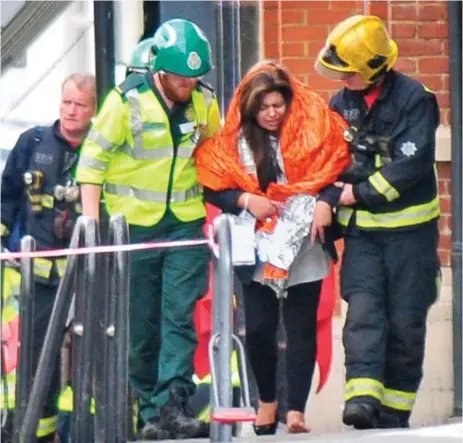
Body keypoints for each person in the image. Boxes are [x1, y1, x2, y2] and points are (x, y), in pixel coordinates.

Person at [75, 18, 222, 440]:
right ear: (160, 69)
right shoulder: (125, 101)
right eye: (181, 77)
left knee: (178, 316)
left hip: (185, 226)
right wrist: (90, 223)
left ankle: (173, 404)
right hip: (133, 230)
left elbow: (217, 157)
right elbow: (92, 162)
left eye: (195, 77)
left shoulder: (204, 102)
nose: (188, 84)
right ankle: (150, 411)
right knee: (141, 328)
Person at [194, 60, 350, 434]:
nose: (271, 114)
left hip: (305, 243)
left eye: (277, 105)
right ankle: (266, 401)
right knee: (261, 327)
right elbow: (213, 183)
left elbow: (337, 167)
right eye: (263, 107)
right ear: (250, 108)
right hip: (257, 244)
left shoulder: (314, 130)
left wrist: (325, 202)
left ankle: (295, 409)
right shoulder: (234, 143)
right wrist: (247, 201)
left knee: (301, 326)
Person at [315, 15, 441, 430]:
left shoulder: (414, 100)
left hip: (410, 239)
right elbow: (329, 161)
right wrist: (327, 198)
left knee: (406, 323)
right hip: (364, 236)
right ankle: (362, 400)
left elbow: (411, 165)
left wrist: (356, 191)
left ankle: (394, 411)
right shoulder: (340, 104)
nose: (342, 79)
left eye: (348, 72)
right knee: (364, 315)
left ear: (372, 68)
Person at [0, 73, 96, 442]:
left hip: (90, 273)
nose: (71, 111)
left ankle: (96, 431)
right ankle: (41, 434)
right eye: (67, 103)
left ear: (93, 109)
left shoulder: (100, 148)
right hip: (41, 276)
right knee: (40, 356)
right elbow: (8, 194)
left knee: (96, 349)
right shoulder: (32, 142)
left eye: (80, 105)